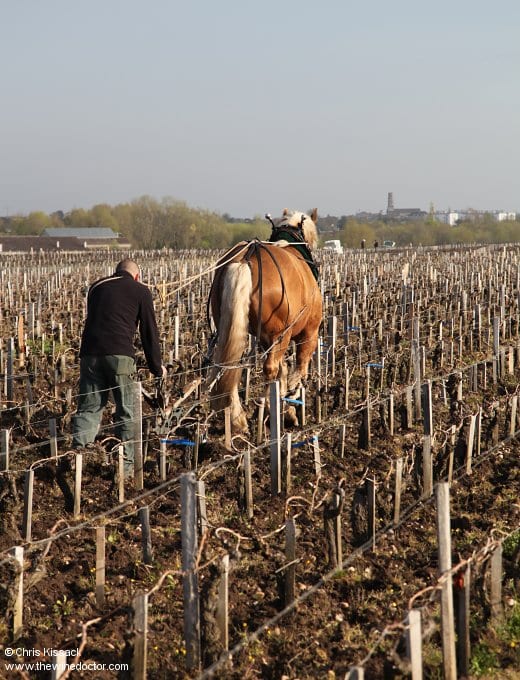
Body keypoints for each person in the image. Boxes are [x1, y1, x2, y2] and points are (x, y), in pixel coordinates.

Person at [71, 258, 166, 479]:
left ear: (115, 272)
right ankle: (126, 467)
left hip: (89, 356)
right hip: (120, 355)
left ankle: (79, 458)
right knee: (126, 411)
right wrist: (157, 368)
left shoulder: (96, 288)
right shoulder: (141, 291)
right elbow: (149, 333)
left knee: (89, 408)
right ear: (137, 276)